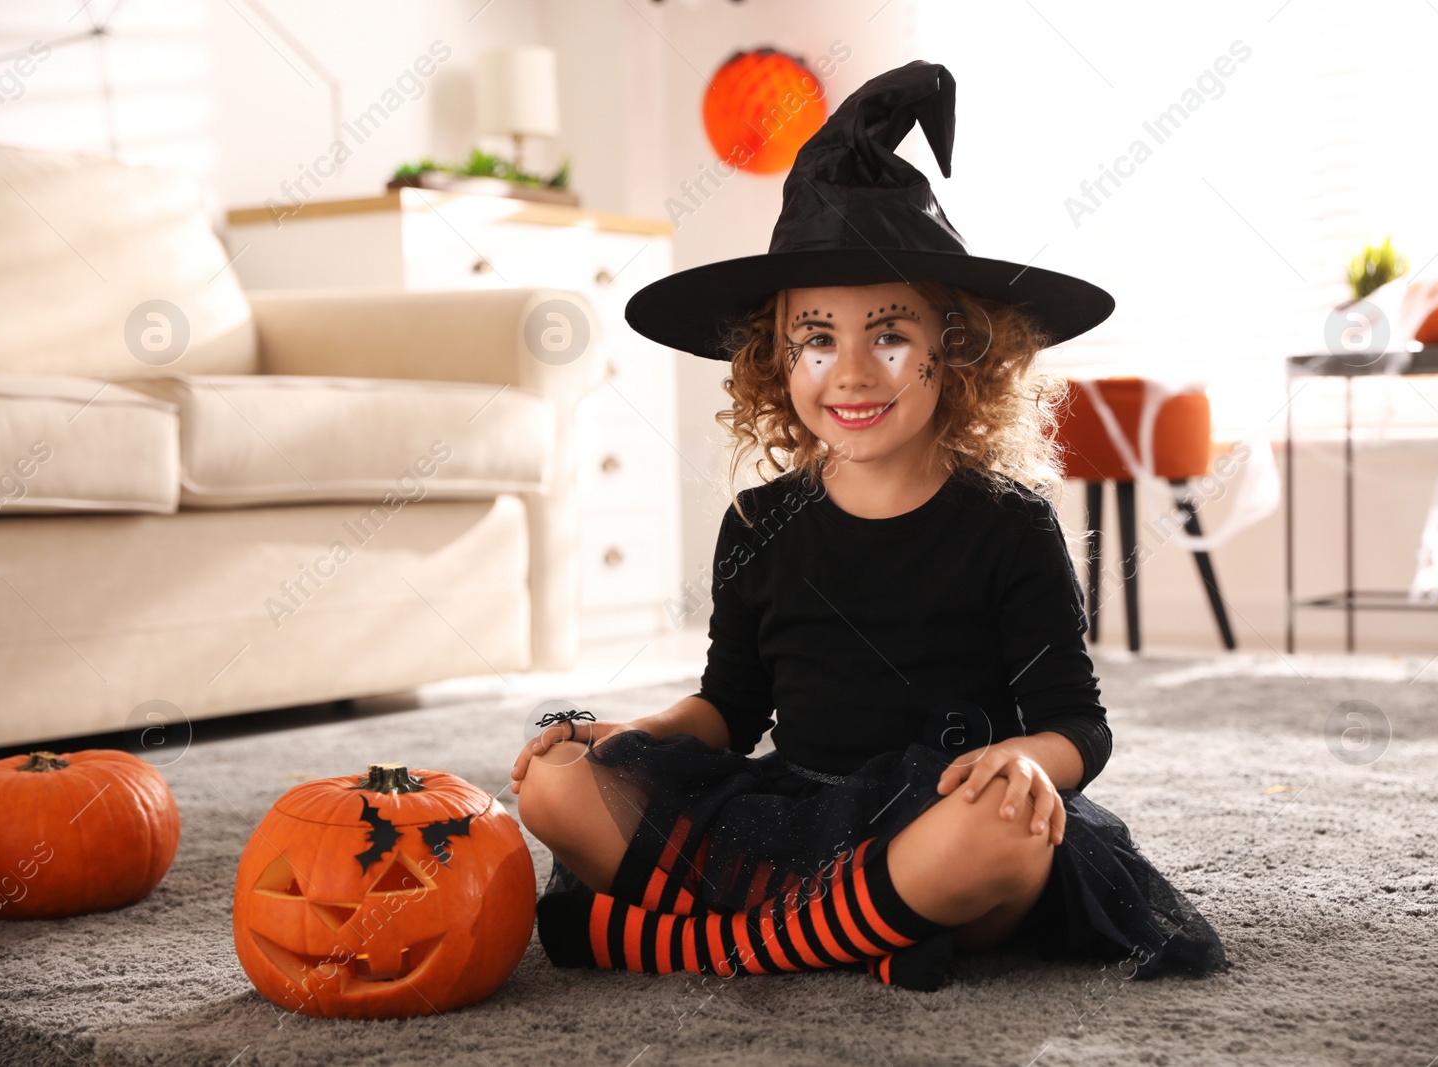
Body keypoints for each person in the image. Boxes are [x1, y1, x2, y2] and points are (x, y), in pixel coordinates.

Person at [509, 59, 1231, 992]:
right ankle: (865, 930)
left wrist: (1021, 760)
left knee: (1007, 832)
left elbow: (1076, 724)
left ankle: (720, 942)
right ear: (778, 359)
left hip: (940, 811)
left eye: (888, 334)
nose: (850, 371)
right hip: (794, 813)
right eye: (817, 338)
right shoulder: (760, 523)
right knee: (556, 784)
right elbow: (729, 710)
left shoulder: (1010, 525)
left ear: (955, 350)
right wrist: (629, 735)